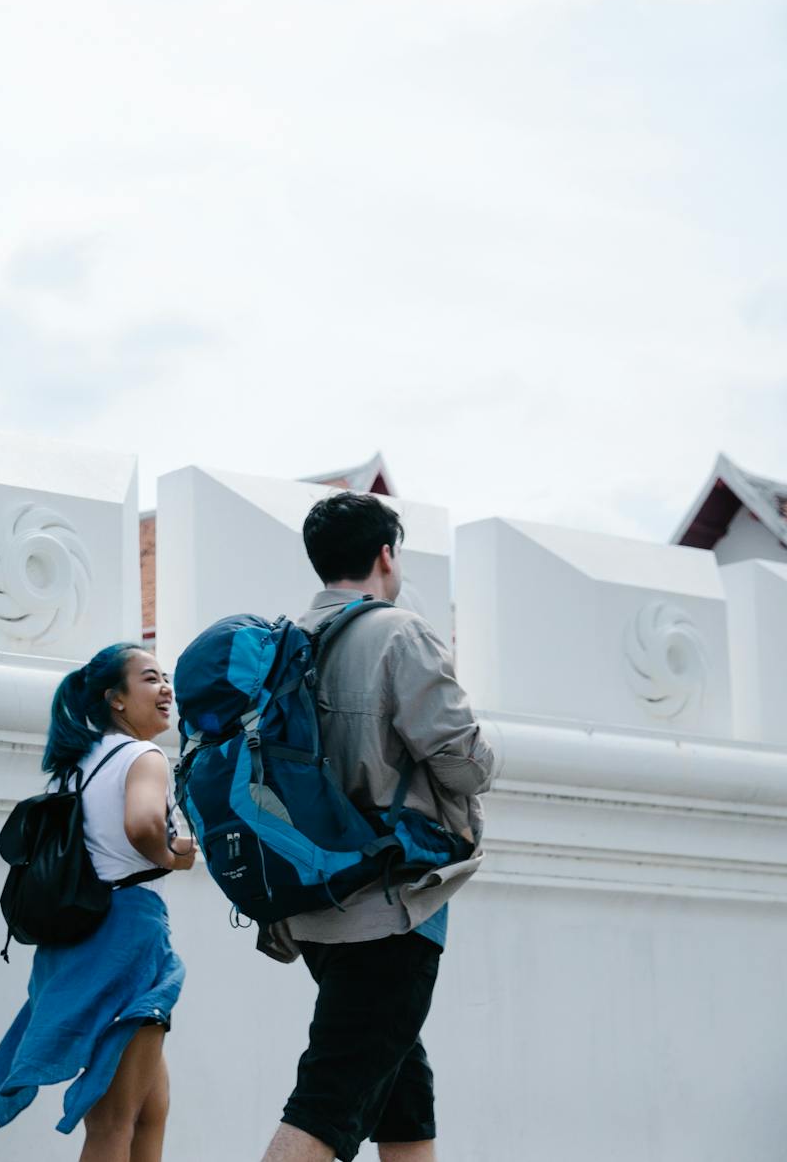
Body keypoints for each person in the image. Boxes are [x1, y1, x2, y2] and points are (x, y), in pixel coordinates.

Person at [260, 493, 496, 1162]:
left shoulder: (284, 644)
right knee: (327, 1104)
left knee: (403, 1101)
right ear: (386, 555)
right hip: (388, 907)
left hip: (315, 906)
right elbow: (465, 764)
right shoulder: (400, 634)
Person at [0, 642, 198, 1162]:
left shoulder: (78, 766)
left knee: (151, 1109)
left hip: (78, 939)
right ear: (115, 698)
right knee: (114, 1121)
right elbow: (143, 825)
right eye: (150, 679)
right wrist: (180, 855)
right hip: (128, 940)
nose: (166, 688)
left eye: (165, 678)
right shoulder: (143, 756)